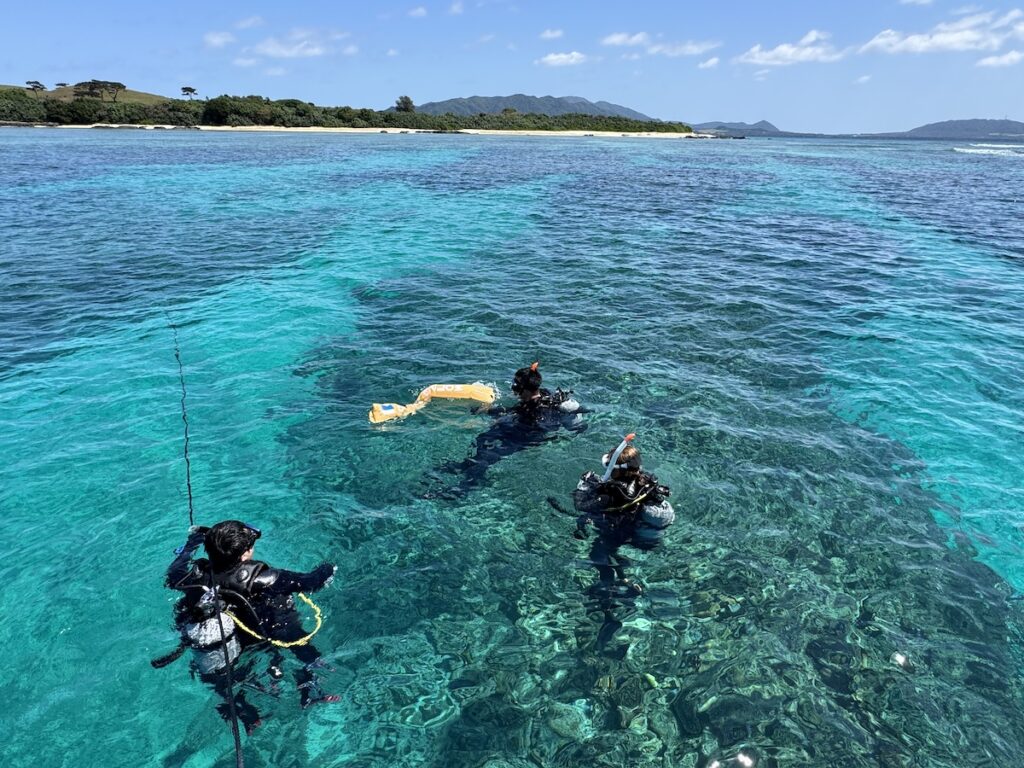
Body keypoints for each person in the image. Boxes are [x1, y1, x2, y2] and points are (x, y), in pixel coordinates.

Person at [165, 520, 338, 734]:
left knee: (228, 681)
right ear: (245, 554)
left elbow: (174, 571)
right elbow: (313, 582)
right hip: (271, 632)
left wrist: (191, 543)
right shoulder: (267, 578)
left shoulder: (193, 577)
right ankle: (310, 694)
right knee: (304, 651)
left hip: (235, 642)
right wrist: (329, 565)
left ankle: (248, 716)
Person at [572, 437, 674, 648]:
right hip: (632, 531)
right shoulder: (644, 480)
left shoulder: (612, 493)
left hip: (615, 532)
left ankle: (608, 612)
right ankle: (626, 580)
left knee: (599, 558)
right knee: (611, 554)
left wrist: (584, 485)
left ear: (616, 469)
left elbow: (582, 506)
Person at [438, 362, 586, 495]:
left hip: (527, 435)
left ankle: (467, 486)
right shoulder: (543, 394)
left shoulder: (537, 411)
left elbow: (528, 418)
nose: (513, 388)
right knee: (482, 438)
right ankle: (465, 465)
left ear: (527, 390)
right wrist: (490, 412)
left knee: (490, 454)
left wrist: (495, 415)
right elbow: (516, 410)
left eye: (516, 385)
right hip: (518, 426)